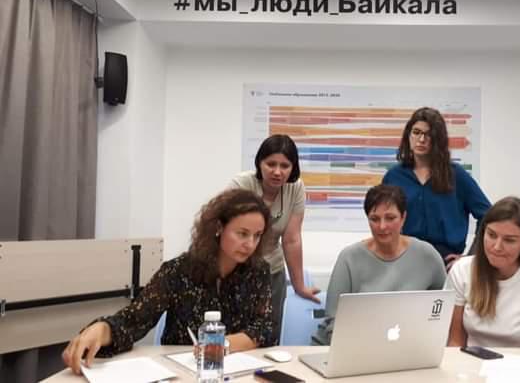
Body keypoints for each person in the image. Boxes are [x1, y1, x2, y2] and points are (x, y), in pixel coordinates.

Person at [62, 188, 275, 375]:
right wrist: (102, 329)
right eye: (242, 234)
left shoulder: (259, 271)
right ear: (219, 228)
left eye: (257, 235)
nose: (250, 244)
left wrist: (221, 344)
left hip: (238, 373)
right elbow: (134, 320)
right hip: (181, 373)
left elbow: (265, 328)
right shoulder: (178, 271)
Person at [313, 185, 447, 345]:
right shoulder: (349, 258)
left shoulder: (427, 256)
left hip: (407, 346)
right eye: (374, 219)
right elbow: (334, 321)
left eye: (390, 218)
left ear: (403, 217)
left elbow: (444, 309)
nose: (382, 226)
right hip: (349, 345)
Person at [446, 196, 520, 357]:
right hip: (470, 366)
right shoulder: (462, 271)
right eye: (491, 235)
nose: (497, 247)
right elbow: (455, 343)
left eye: (509, 240)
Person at [228, 134, 319, 343]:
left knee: (268, 337)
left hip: (272, 272)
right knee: (236, 337)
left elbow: (291, 239)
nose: (277, 172)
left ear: (293, 168)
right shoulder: (241, 185)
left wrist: (299, 286)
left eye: (285, 166)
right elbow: (225, 233)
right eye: (271, 164)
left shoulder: (295, 188)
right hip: (237, 271)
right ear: (259, 163)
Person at [382, 107, 491, 267]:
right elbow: (382, 219)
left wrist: (470, 258)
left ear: (438, 140)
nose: (421, 139)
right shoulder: (394, 177)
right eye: (416, 132)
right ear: (408, 135)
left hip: (445, 262)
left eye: (428, 135)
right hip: (403, 260)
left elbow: (489, 216)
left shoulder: (456, 175)